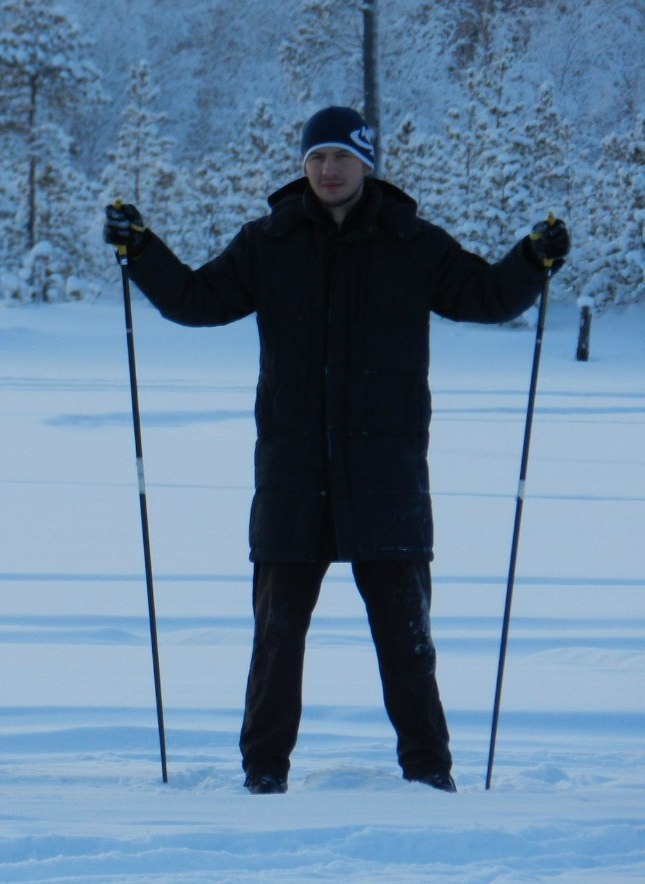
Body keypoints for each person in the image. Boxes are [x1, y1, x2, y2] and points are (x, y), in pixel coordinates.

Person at [103, 106, 570, 795]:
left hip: (387, 473)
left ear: (366, 164)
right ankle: (264, 771)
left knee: (406, 642)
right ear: (303, 165)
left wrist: (530, 260)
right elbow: (197, 300)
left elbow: (484, 297)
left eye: (341, 158)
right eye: (316, 158)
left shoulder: (414, 244)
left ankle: (429, 771)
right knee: (276, 639)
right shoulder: (268, 241)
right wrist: (142, 252)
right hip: (292, 473)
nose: (327, 170)